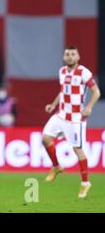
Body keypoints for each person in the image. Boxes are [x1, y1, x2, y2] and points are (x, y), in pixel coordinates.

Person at [42, 46, 101, 198]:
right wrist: (53, 104)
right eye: (67, 54)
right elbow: (63, 91)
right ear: (63, 57)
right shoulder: (62, 72)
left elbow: (96, 91)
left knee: (78, 150)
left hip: (76, 119)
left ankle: (85, 183)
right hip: (61, 115)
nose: (69, 57)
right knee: (46, 138)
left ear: (78, 57)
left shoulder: (83, 72)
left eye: (72, 54)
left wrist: (88, 107)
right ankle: (56, 167)